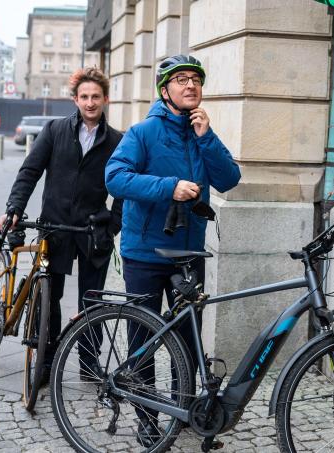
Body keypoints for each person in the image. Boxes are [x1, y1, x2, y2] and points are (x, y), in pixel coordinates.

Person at [105, 54, 240, 446]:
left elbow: (229, 179)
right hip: (145, 253)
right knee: (143, 339)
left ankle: (182, 411)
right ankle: (147, 418)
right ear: (165, 90)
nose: (190, 86)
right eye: (181, 79)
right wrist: (169, 187)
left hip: (188, 254)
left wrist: (207, 139)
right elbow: (115, 178)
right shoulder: (143, 132)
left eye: (195, 79)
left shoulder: (202, 133)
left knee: (187, 337)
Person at [0, 67, 123, 383]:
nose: (90, 103)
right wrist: (14, 208)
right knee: (48, 299)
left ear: (105, 98)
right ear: (75, 99)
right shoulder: (54, 130)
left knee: (92, 301)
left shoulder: (118, 141)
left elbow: (123, 187)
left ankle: (89, 363)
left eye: (96, 97)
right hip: (54, 228)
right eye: (84, 97)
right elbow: (29, 172)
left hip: (94, 232)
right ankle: (47, 362)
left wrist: (113, 225)